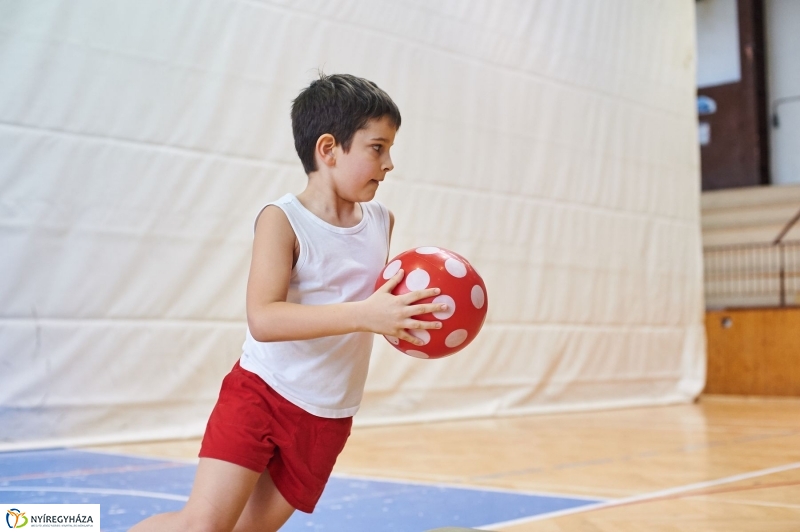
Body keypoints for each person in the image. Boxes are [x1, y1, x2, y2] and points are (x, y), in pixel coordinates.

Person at [130, 73, 448, 532]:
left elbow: (381, 304)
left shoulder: (382, 221)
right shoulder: (282, 220)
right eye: (377, 148)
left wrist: (409, 316)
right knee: (203, 527)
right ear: (328, 149)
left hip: (328, 415)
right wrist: (367, 315)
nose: (390, 162)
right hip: (261, 392)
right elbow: (264, 318)